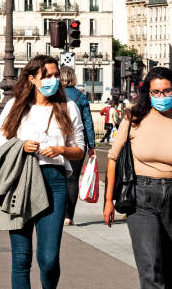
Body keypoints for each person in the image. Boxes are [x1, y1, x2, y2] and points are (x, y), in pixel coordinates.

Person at [0, 55, 85, 289]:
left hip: (54, 182)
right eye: (48, 76)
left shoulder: (68, 107)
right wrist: (21, 146)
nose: (54, 80)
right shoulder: (16, 106)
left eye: (56, 75)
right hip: (20, 181)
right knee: (21, 258)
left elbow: (80, 150)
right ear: (32, 78)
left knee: (48, 259)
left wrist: (62, 149)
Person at [103, 67, 172, 289]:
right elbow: (113, 158)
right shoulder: (133, 118)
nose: (161, 97)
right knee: (150, 265)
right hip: (141, 196)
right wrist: (108, 201)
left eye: (166, 91)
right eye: (155, 92)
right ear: (147, 92)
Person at [60, 66, 96, 225]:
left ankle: (58, 214)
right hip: (76, 142)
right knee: (73, 179)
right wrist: (92, 145)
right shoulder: (81, 96)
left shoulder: (55, 95)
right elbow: (88, 122)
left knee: (57, 178)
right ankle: (69, 216)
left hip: (58, 141)